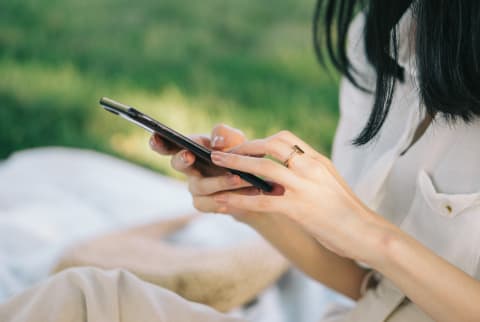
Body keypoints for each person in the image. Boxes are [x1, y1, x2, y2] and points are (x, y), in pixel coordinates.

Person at [1, 0, 479, 321]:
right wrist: (256, 205)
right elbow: (370, 289)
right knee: (88, 301)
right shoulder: (380, 34)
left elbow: (378, 254)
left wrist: (367, 232)